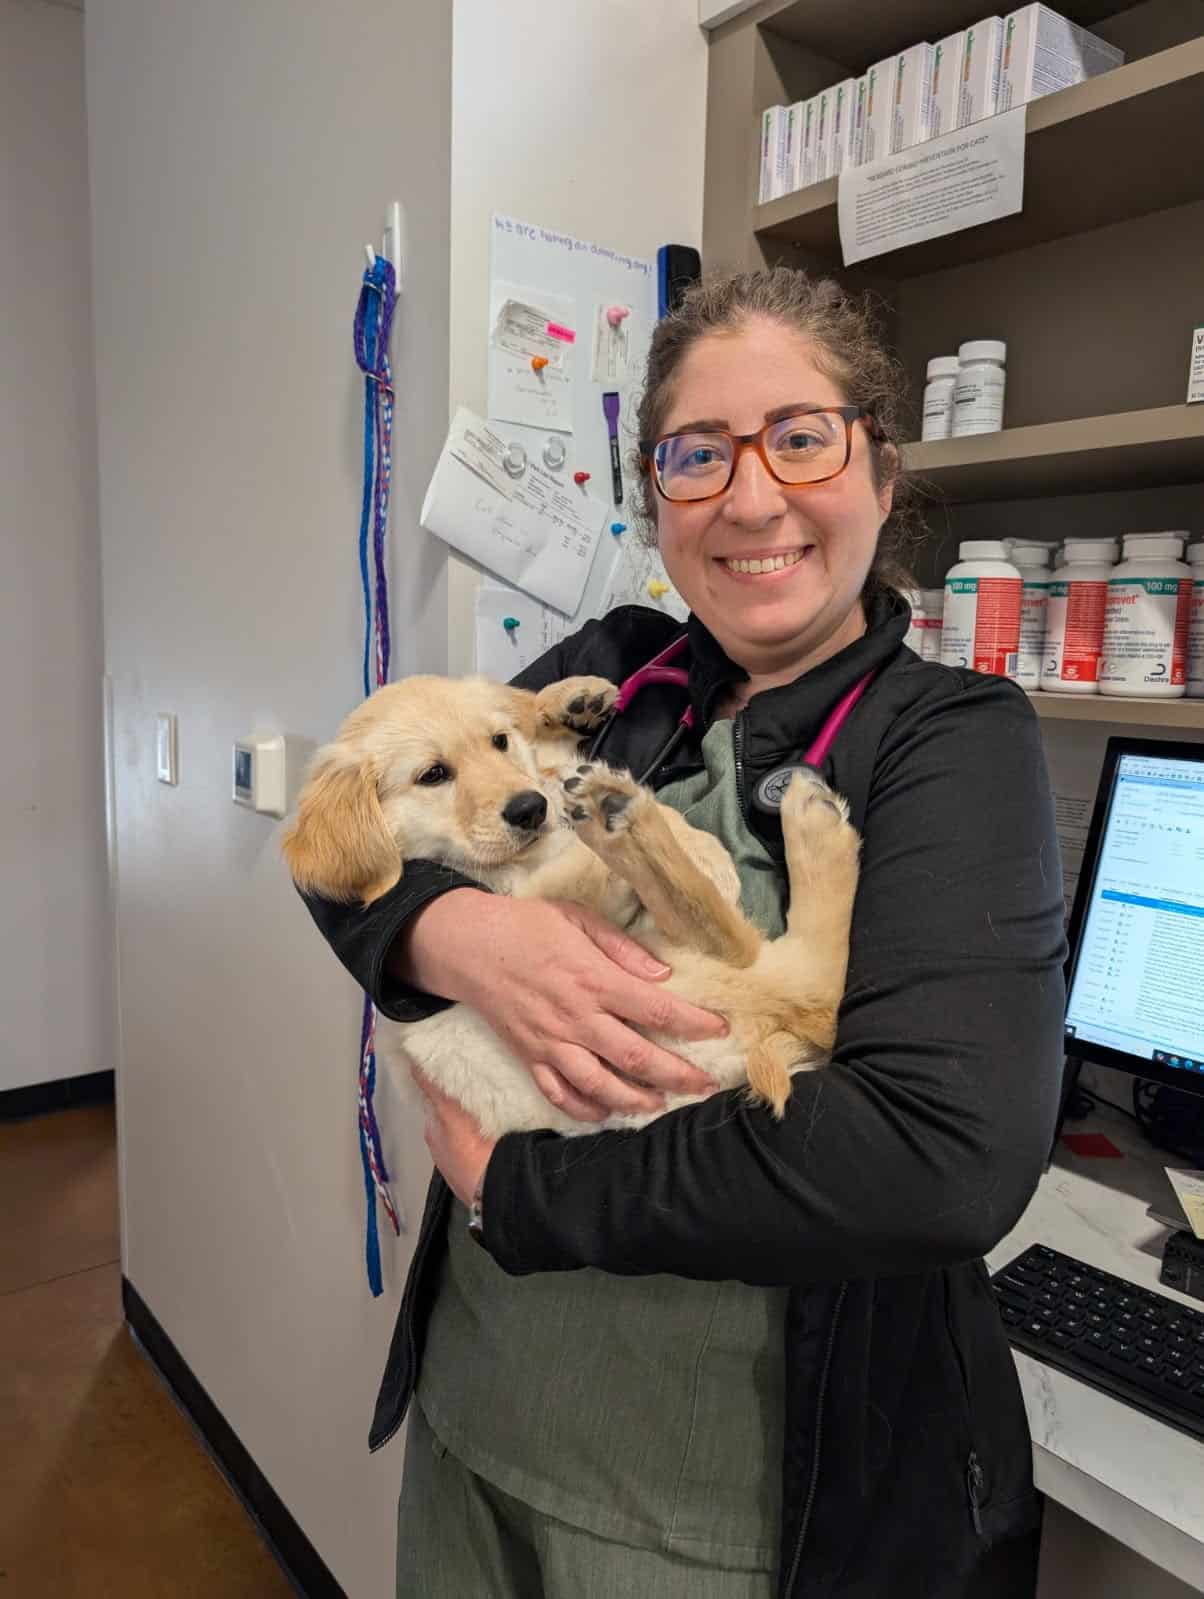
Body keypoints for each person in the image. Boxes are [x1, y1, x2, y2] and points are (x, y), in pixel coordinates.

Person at [299, 267, 1066, 1598]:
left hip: (711, 1517)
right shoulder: (623, 666)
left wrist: (522, 1192)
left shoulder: (949, 738)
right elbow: (348, 843)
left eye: (803, 437)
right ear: (656, 500)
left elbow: (937, 1158)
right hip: (476, 1419)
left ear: (881, 474)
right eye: (698, 456)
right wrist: (464, 945)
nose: (752, 497)